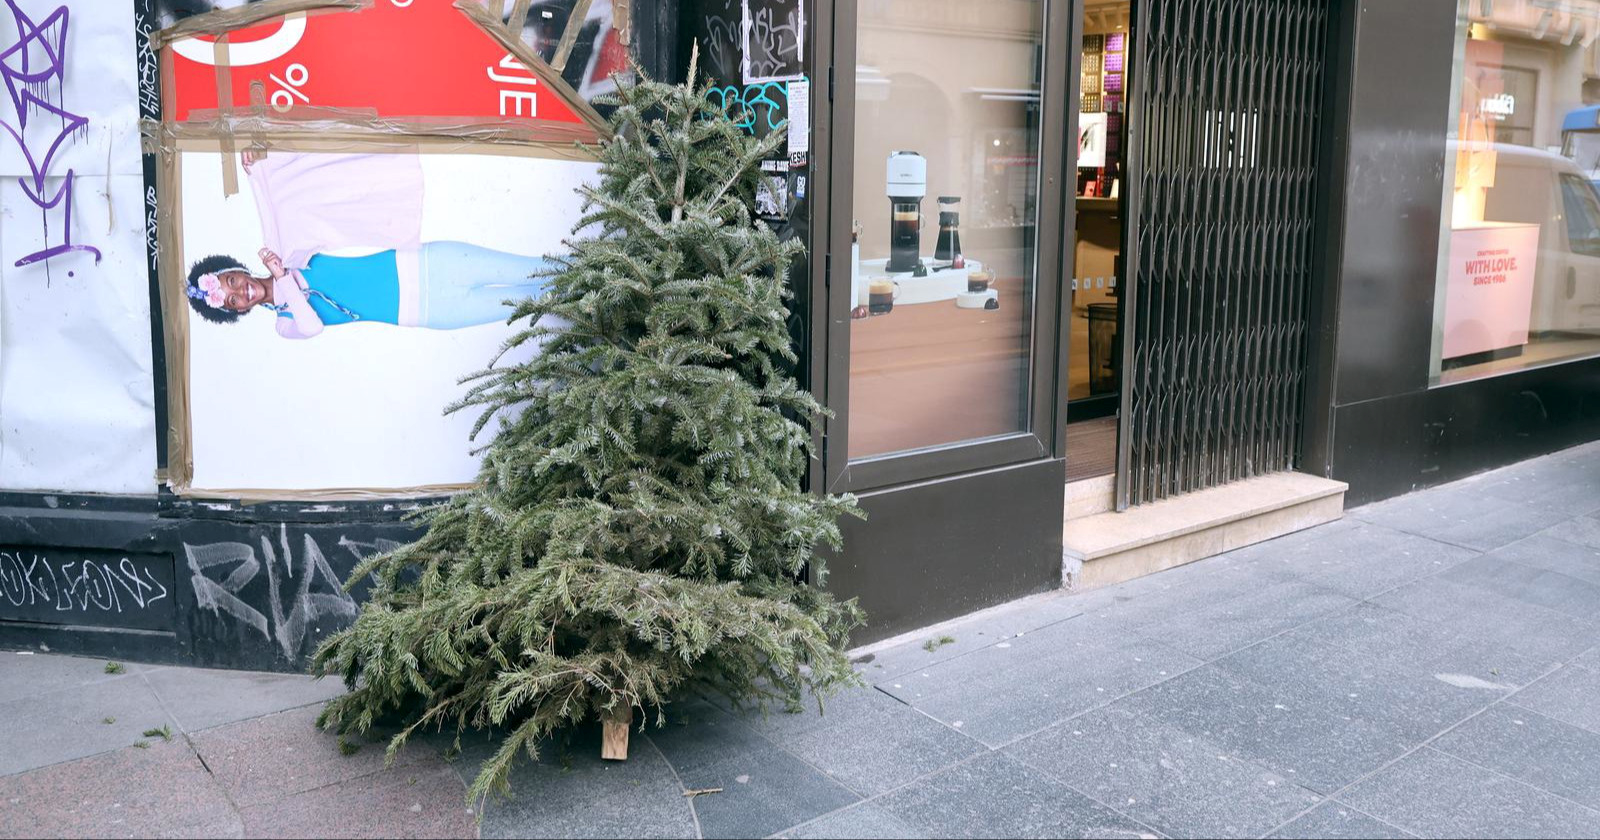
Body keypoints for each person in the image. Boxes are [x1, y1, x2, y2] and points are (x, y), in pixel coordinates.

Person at [185, 243, 556, 338]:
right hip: (424, 311)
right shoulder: (285, 322)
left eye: (232, 281)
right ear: (238, 312)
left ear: (235, 268)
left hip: (426, 263)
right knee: (532, 303)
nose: (242, 292)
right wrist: (281, 279)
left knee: (536, 267)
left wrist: (256, 168)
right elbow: (312, 326)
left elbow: (279, 201)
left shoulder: (290, 250)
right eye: (232, 301)